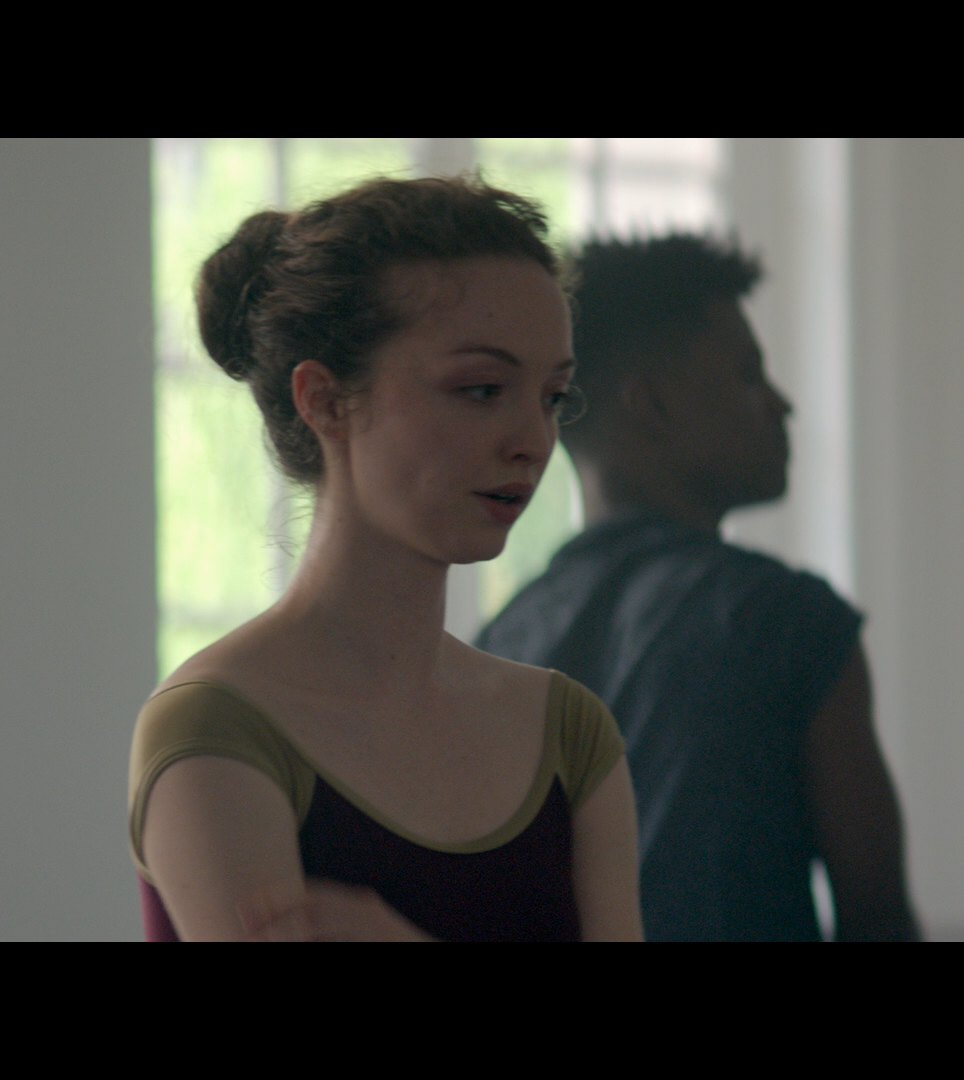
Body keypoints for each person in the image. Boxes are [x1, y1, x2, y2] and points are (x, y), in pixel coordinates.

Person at [127, 177, 642, 941]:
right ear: (324, 400)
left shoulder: (568, 731)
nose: (533, 441)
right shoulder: (217, 725)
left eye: (552, 396)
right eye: (482, 389)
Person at [476, 234, 920, 941]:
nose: (781, 405)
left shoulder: (499, 642)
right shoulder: (787, 621)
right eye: (748, 374)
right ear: (652, 404)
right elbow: (877, 919)